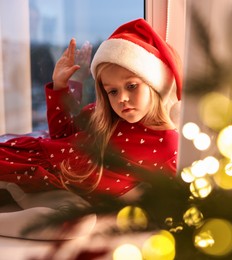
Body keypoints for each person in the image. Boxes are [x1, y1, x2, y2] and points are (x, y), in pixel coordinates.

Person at [0, 18, 182, 239]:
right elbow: (61, 133)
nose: (122, 98)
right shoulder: (105, 117)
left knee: (78, 225)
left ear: (154, 83)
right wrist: (64, 85)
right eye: (112, 91)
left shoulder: (169, 144)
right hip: (27, 164)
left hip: (64, 194)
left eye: (131, 86)